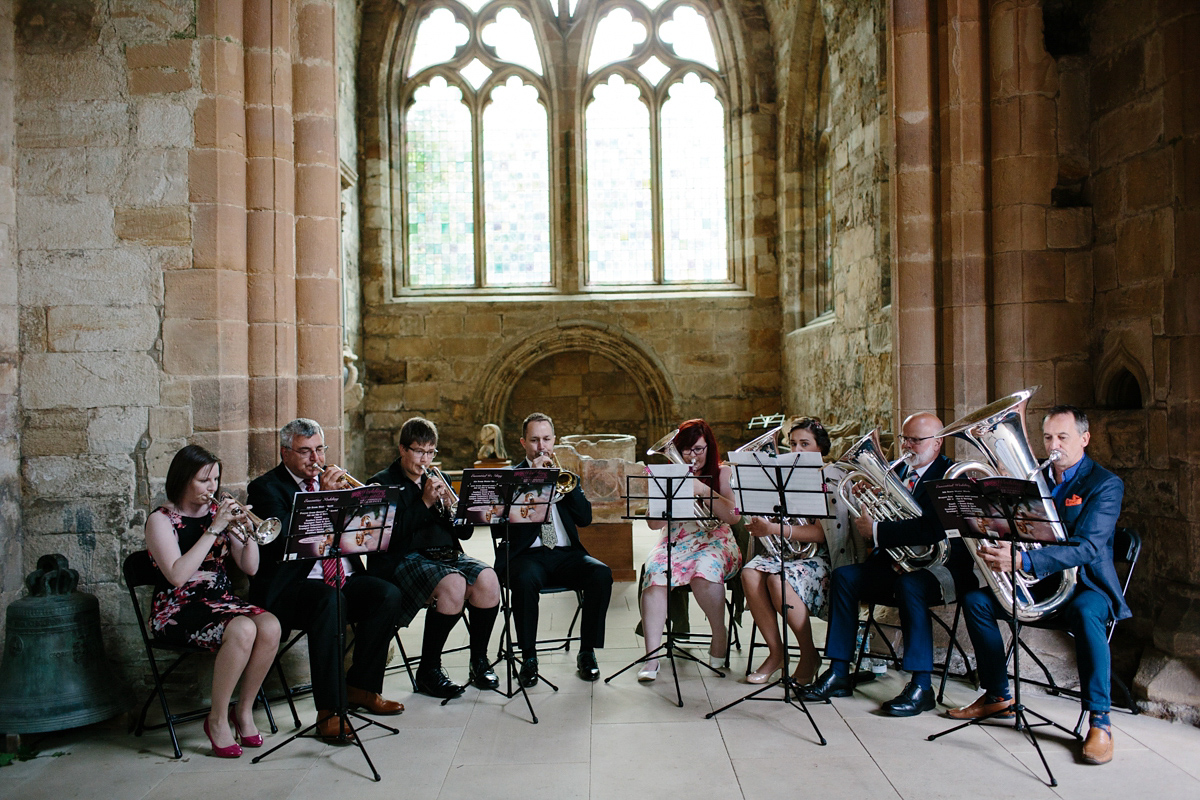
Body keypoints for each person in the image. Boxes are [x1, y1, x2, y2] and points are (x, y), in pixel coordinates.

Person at [952, 405, 1129, 766]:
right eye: (1048, 437)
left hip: (1087, 585)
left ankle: (1100, 720)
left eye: (1062, 437)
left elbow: (1089, 547)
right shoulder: (1033, 479)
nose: (1053, 445)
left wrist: (1024, 561)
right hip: (1040, 582)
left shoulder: (1105, 484)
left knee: (1085, 613)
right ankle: (998, 695)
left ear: (1084, 438)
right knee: (975, 602)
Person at [803, 412, 977, 715]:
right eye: (903, 438)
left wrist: (878, 531)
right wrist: (865, 501)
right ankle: (839, 672)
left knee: (911, 585)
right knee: (844, 577)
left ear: (937, 443)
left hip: (943, 569)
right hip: (900, 565)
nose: (907, 445)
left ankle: (922, 685)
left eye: (915, 440)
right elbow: (890, 517)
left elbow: (935, 531)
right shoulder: (897, 474)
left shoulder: (953, 476)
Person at [247, 418, 404, 743]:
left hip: (341, 576)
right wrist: (328, 501)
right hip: (293, 587)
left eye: (319, 449)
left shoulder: (332, 482)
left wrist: (361, 507)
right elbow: (280, 542)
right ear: (285, 453)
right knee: (330, 602)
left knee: (387, 595)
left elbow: (363, 533)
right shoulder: (266, 488)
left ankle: (362, 686)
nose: (315, 459)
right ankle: (329, 713)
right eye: (305, 452)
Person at [144, 445, 282, 758]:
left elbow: (250, 568)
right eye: (204, 480)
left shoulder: (216, 513)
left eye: (215, 480)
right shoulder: (161, 520)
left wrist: (247, 534)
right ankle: (217, 719)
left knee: (271, 625)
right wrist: (215, 528)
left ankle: (243, 711)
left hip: (219, 602)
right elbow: (177, 575)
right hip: (176, 609)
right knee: (244, 629)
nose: (212, 488)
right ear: (182, 480)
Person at [367, 417, 501, 698]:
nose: (424, 459)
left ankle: (479, 661)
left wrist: (455, 508)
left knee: (488, 579)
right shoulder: (381, 483)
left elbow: (464, 534)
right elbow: (387, 538)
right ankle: (429, 669)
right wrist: (425, 502)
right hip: (404, 559)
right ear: (402, 449)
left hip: (444, 556)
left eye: (430, 452)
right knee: (453, 584)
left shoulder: (437, 479)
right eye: (418, 451)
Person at [740, 417, 866, 685]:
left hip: (822, 557)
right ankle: (777, 653)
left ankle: (809, 655)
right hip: (788, 553)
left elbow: (821, 534)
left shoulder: (831, 478)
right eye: (793, 443)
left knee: (779, 579)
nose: (796, 450)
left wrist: (773, 529)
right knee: (749, 573)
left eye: (804, 444)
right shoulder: (780, 476)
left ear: (820, 448)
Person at [495, 412, 613, 686]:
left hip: (565, 554)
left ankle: (587, 652)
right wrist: (533, 485)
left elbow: (585, 519)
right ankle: (529, 658)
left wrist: (568, 491)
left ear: (554, 440)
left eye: (546, 439)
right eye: (534, 440)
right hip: (526, 556)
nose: (541, 447)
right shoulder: (509, 480)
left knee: (601, 574)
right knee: (524, 581)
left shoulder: (566, 477)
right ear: (523, 443)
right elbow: (498, 530)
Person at [638, 419, 743, 681]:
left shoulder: (723, 473)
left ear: (709, 447)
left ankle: (719, 634)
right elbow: (654, 524)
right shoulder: (668, 477)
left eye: (698, 449)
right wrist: (666, 495)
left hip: (716, 539)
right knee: (654, 574)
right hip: (674, 539)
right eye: (685, 449)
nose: (691, 456)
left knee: (703, 571)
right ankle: (651, 658)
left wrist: (702, 489)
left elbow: (733, 517)